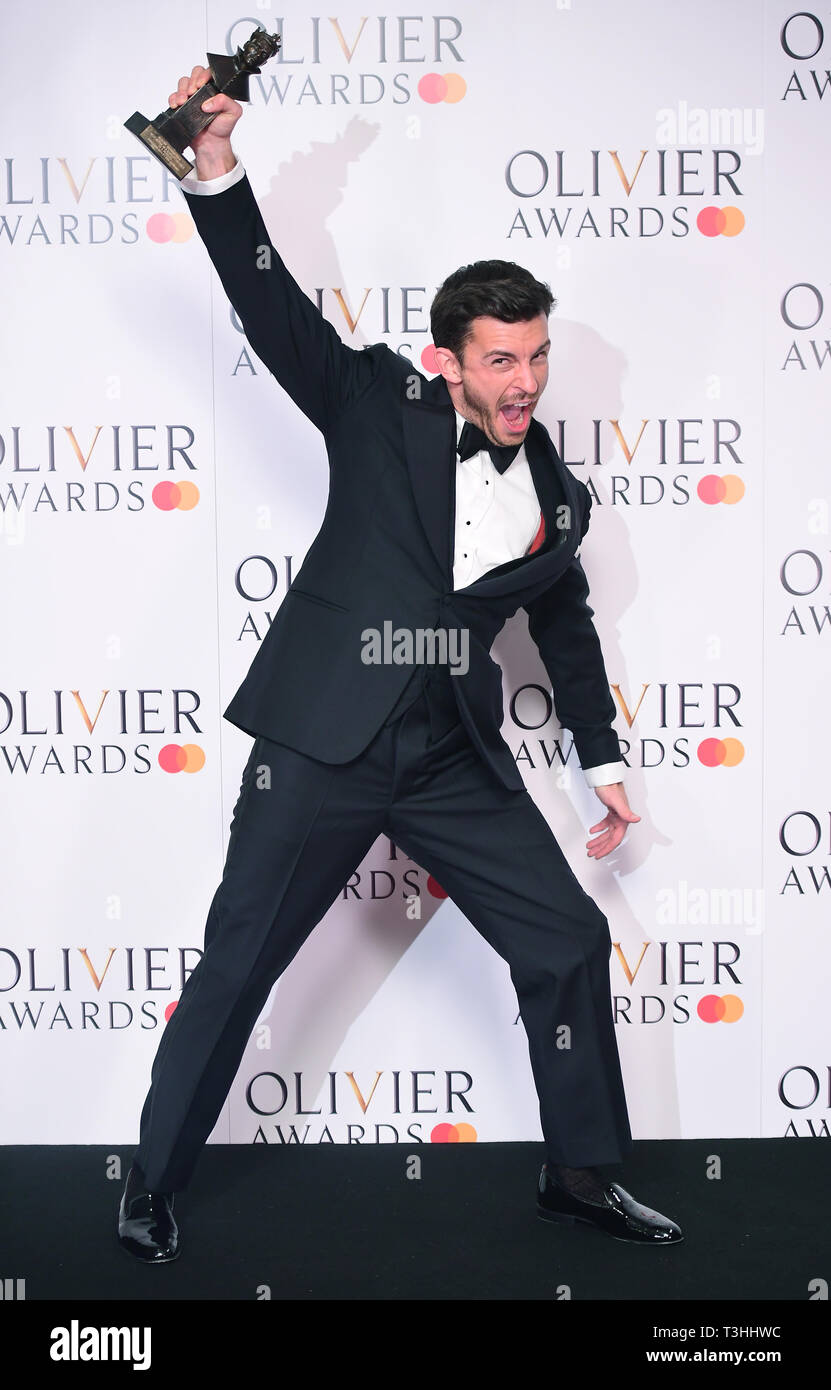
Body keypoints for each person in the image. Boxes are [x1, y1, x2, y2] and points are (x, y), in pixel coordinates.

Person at [117, 66, 683, 1263]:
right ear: (451, 360)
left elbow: (566, 628)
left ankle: (580, 1176)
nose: (525, 380)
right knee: (235, 968)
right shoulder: (375, 403)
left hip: (449, 759)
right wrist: (218, 168)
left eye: (536, 356)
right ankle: (151, 1181)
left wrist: (606, 766)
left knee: (570, 943)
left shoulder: (559, 498)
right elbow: (274, 314)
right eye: (502, 360)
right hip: (321, 741)